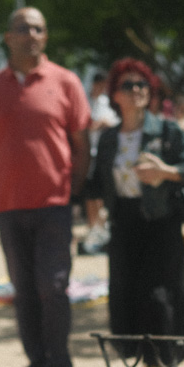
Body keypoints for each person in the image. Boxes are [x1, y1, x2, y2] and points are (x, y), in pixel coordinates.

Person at [0, 6, 90, 367]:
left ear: (45, 37)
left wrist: (75, 193)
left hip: (54, 204)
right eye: (23, 28)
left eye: (38, 29)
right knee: (23, 291)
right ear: (8, 37)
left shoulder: (66, 82)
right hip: (8, 208)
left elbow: (82, 147)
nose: (31, 35)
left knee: (52, 286)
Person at [88, 58, 184, 367]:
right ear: (115, 95)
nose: (136, 90)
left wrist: (164, 171)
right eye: (127, 85)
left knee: (160, 293)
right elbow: (96, 181)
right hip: (123, 220)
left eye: (142, 85)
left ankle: (161, 363)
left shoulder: (167, 129)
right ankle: (140, 359)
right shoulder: (109, 138)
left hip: (161, 221)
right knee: (125, 291)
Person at [79, 71, 119, 255]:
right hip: (91, 153)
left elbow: (110, 122)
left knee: (98, 194)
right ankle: (94, 227)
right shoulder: (90, 100)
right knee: (91, 195)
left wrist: (99, 124)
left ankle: (98, 227)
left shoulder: (104, 102)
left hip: (100, 153)